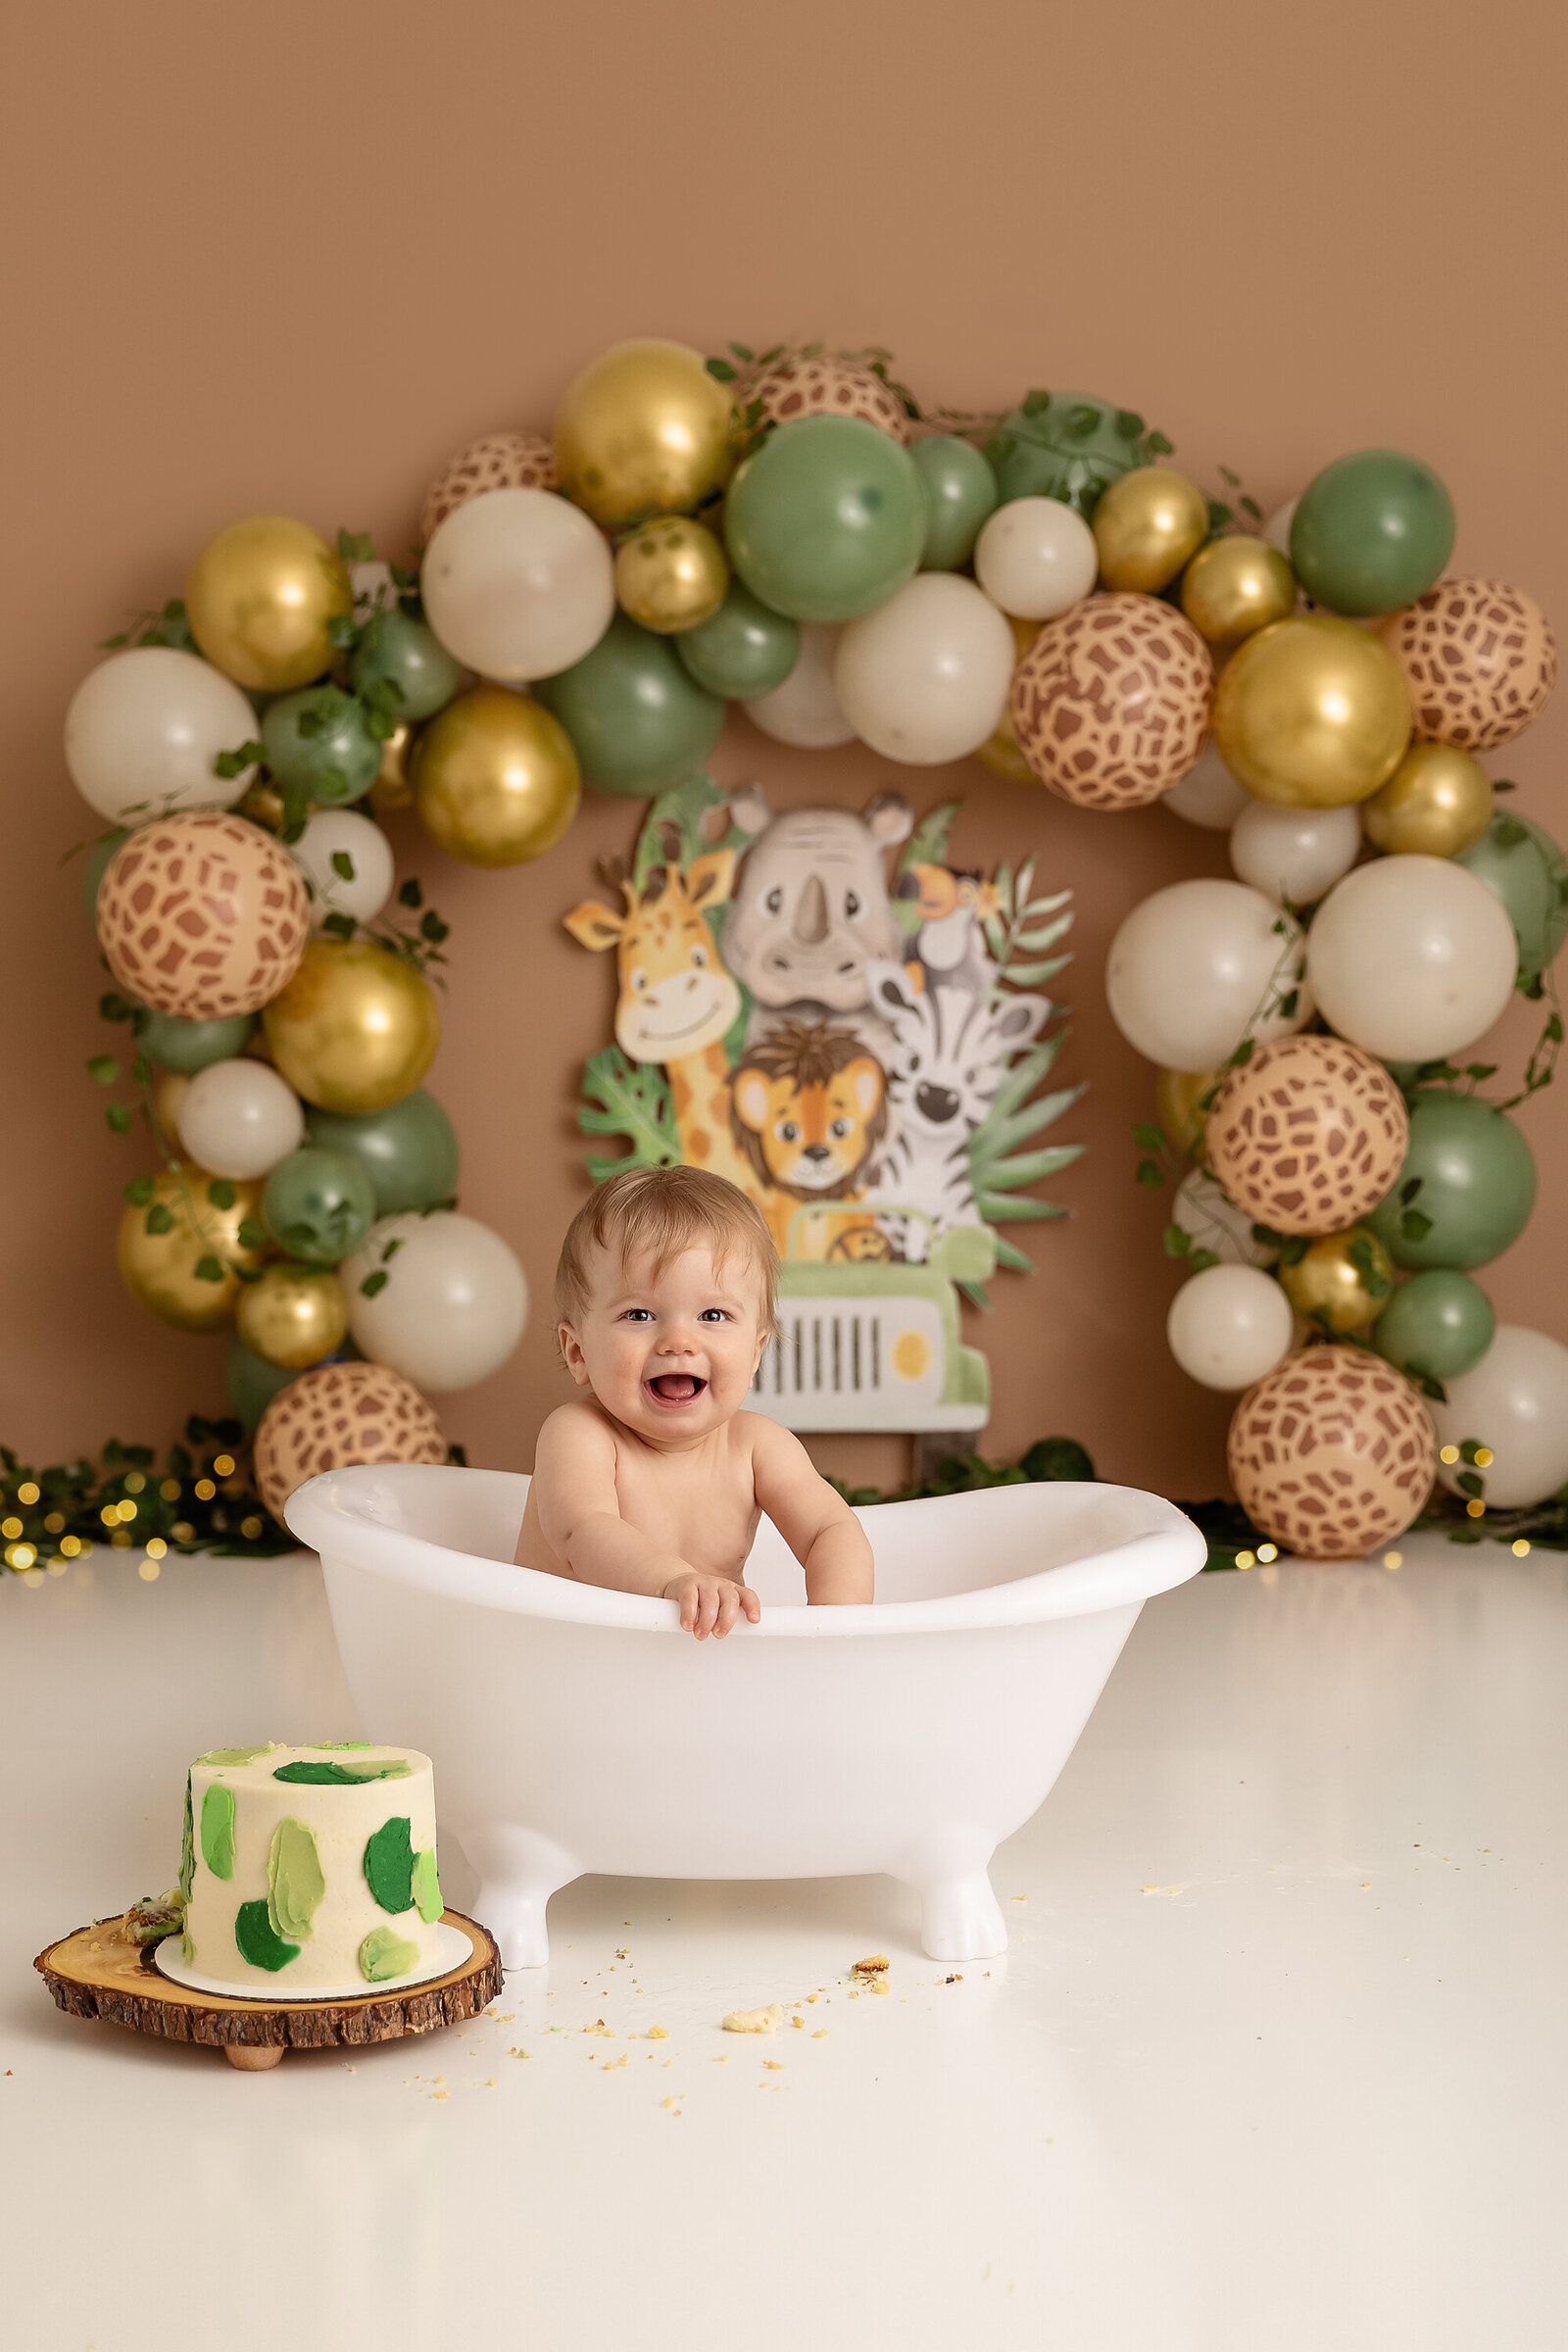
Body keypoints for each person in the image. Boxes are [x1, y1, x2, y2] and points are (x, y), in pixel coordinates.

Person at [515, 1164, 874, 1638]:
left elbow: (830, 1530)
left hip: (695, 1671)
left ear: (755, 1353)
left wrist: (835, 1624)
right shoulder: (578, 1434)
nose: (678, 1341)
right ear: (578, 1352)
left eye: (713, 1314)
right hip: (571, 1660)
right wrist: (673, 1583)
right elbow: (582, 1532)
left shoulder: (758, 1446)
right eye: (639, 1314)